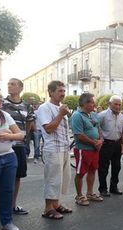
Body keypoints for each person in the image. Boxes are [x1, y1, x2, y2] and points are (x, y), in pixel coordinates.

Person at [37, 81, 72, 219]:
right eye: (59, 91)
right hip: (52, 149)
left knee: (62, 179)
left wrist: (62, 112)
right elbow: (49, 129)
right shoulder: (44, 108)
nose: (63, 94)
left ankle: (56, 205)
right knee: (52, 179)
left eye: (64, 91)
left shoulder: (61, 108)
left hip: (64, 148)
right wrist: (61, 114)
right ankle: (48, 209)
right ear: (50, 92)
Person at [0, 87, 24, 230]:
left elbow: (20, 135)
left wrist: (9, 135)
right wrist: (6, 134)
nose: (2, 100)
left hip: (9, 157)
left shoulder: (4, 115)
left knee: (7, 190)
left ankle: (7, 221)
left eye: (1, 97)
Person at [2, 78, 35, 215]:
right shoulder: (1, 103)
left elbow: (30, 124)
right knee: (2, 177)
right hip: (4, 145)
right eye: (8, 84)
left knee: (17, 176)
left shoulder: (27, 106)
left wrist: (25, 137)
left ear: (20, 88)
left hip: (20, 145)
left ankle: (13, 206)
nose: (9, 86)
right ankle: (3, 208)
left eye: (13, 84)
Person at [72, 93, 103, 205]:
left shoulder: (94, 114)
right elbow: (78, 134)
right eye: (92, 102)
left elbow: (99, 129)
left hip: (94, 149)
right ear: (85, 103)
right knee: (80, 173)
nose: (94, 104)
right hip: (83, 149)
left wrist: (101, 140)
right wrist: (94, 142)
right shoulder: (77, 115)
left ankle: (90, 193)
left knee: (92, 170)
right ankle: (79, 196)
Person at [97, 95, 123, 197]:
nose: (118, 106)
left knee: (116, 167)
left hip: (117, 144)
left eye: (119, 104)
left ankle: (114, 187)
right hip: (106, 144)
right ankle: (103, 189)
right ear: (110, 104)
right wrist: (99, 139)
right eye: (115, 104)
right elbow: (96, 127)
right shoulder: (102, 115)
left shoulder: (122, 116)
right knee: (103, 168)